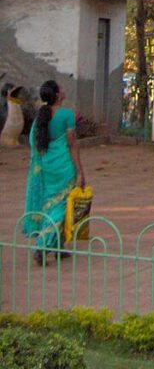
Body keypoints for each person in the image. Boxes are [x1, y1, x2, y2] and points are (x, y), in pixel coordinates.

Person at [23, 79, 86, 262]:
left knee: (50, 203)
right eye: (61, 89)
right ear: (58, 95)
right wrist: (80, 171)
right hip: (63, 166)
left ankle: (58, 246)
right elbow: (71, 144)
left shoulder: (41, 116)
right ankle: (43, 244)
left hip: (46, 167)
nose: (64, 90)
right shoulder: (66, 114)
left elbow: (35, 143)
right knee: (60, 206)